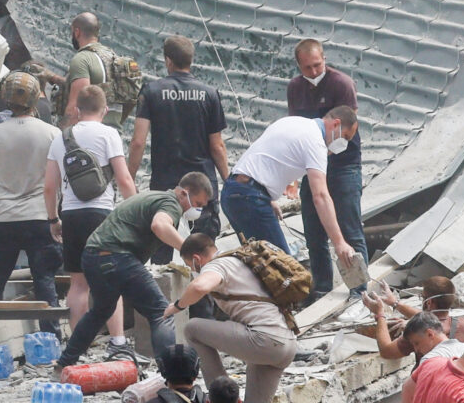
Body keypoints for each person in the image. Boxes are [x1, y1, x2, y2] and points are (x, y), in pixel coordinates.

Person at [59, 168, 212, 367]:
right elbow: (159, 226)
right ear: (184, 192)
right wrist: (189, 251)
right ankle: (172, 373)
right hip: (116, 255)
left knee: (100, 312)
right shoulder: (170, 203)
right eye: (198, 204)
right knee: (161, 312)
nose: (197, 210)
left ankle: (64, 364)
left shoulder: (154, 196)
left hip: (93, 256)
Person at [165, 237, 302, 403]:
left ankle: (222, 397)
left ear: (197, 258)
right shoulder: (240, 261)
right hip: (286, 344)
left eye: (191, 265)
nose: (194, 270)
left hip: (263, 339)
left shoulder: (216, 265)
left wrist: (178, 306)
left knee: (192, 329)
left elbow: (199, 287)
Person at [220, 104, 360, 281]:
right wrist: (339, 243)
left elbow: (264, 158)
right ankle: (283, 308)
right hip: (250, 198)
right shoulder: (315, 142)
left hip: (233, 192)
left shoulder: (292, 122)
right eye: (345, 137)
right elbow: (321, 196)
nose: (344, 144)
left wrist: (269, 198)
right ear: (335, 124)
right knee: (284, 270)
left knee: (260, 265)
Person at [0, 73, 63, 309]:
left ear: (6, 100)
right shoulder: (52, 133)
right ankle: (51, 337)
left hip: (4, 218)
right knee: (44, 282)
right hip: (40, 217)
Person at [281, 41, 365, 296]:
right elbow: (295, 127)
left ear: (324, 59)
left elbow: (349, 127)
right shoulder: (296, 88)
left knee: (349, 227)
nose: (314, 71)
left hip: (343, 161)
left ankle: (359, 290)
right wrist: (293, 177)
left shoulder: (341, 84)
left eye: (317, 65)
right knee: (313, 230)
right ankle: (322, 289)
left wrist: (321, 154)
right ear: (299, 66)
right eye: (307, 67)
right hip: (313, 163)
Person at [130, 37, 229, 190]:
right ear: (191, 60)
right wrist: (228, 182)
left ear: (168, 61)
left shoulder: (151, 91)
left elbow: (138, 142)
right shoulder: (210, 94)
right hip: (202, 185)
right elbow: (217, 146)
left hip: (165, 185)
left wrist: (129, 179)